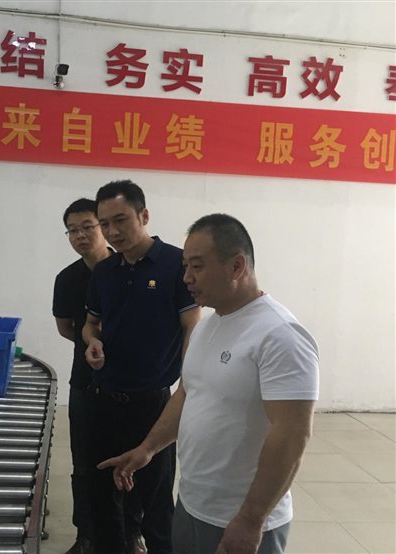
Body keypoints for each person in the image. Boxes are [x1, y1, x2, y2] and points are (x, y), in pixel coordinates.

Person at [99, 213, 320, 554]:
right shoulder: (206, 326)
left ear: (236, 266)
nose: (186, 277)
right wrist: (148, 449)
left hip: (241, 520)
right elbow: (188, 393)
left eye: (197, 267)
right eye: (185, 266)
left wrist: (251, 520)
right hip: (192, 504)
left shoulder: (280, 335)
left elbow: (293, 434)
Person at [82, 180, 201, 554]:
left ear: (144, 215)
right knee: (102, 495)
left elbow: (191, 325)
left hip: (152, 404)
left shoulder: (175, 264)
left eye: (121, 220)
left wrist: (190, 384)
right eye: (105, 224)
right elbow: (90, 324)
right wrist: (92, 341)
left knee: (155, 502)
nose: (113, 232)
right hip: (104, 398)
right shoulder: (105, 271)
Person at [52, 198, 113, 554]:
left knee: (132, 460)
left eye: (87, 227)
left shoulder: (127, 271)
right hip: (85, 381)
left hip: (130, 381)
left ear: (103, 226)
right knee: (84, 462)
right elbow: (66, 328)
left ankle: (131, 532)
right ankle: (86, 535)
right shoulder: (68, 279)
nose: (80, 236)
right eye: (72, 230)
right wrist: (90, 342)